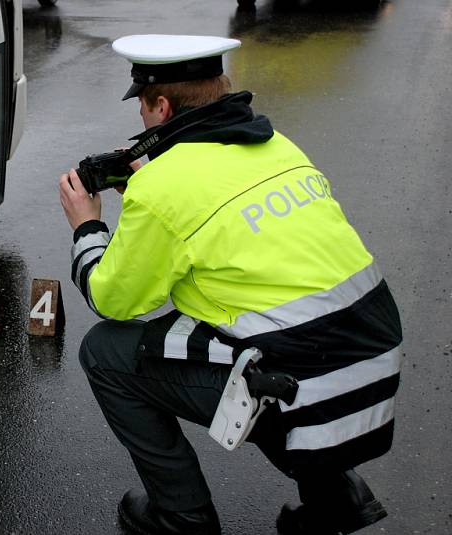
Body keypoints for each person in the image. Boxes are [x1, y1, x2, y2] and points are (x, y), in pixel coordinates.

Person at [58, 34, 402, 535]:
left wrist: (87, 226)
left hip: (307, 393)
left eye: (143, 108)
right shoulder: (277, 145)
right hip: (373, 370)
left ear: (161, 105)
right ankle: (337, 497)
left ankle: (181, 516)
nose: (141, 120)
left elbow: (114, 300)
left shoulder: (164, 186)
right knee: (277, 331)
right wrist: (157, 184)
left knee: (106, 353)